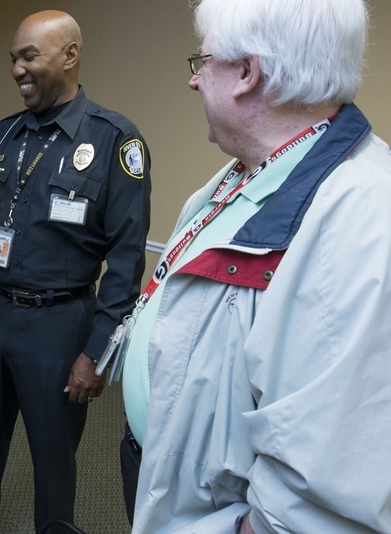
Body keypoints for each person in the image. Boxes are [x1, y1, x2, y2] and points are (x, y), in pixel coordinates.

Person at [120, 0, 391, 532]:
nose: (195, 82)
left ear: (247, 73)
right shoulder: (239, 175)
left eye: (203, 62)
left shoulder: (362, 218)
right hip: (169, 474)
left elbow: (318, 501)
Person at [0, 10, 151, 532]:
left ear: (69, 55)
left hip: (60, 326)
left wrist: (97, 351)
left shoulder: (114, 141)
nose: (17, 69)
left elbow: (127, 261)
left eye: (29, 56)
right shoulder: (2, 135)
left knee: (53, 457)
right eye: (12, 59)